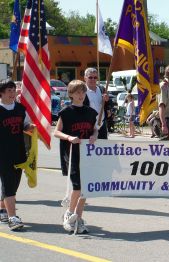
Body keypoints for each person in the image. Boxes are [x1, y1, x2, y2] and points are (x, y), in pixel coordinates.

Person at [54, 80, 98, 234]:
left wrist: (94, 135)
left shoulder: (90, 112)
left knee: (86, 189)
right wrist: (69, 137)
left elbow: (95, 130)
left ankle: (78, 218)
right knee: (78, 187)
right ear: (71, 94)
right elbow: (56, 132)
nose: (81, 95)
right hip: (72, 154)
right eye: (77, 92)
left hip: (87, 156)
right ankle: (69, 214)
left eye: (83, 92)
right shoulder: (66, 112)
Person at [0, 80, 35, 230]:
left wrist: (30, 127)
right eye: (9, 90)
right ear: (1, 93)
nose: (12, 93)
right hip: (2, 153)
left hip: (19, 152)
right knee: (9, 186)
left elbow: (26, 125)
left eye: (14, 90)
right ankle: (12, 218)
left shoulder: (21, 108)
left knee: (12, 183)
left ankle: (2, 209)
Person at [83, 68, 109, 139]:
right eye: (90, 77)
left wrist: (107, 100)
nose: (93, 79)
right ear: (85, 78)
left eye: (95, 77)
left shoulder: (101, 89)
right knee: (88, 148)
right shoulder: (82, 90)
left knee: (103, 148)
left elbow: (108, 104)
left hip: (101, 124)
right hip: (88, 124)